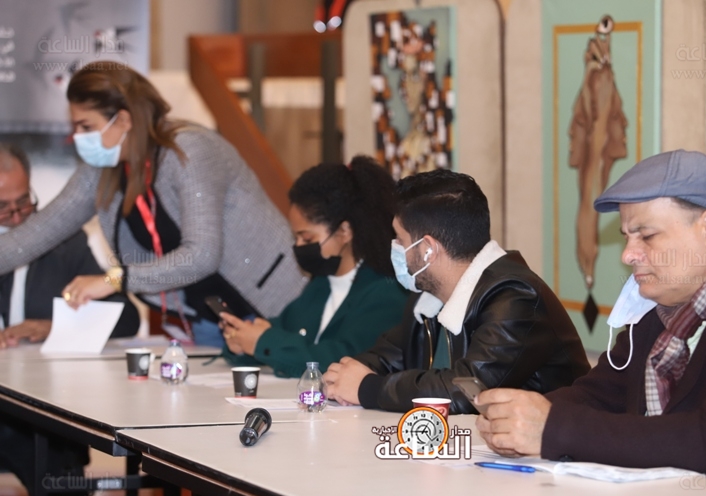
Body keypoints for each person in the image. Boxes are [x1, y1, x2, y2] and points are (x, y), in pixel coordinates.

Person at [476, 150, 706, 496]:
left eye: (646, 236)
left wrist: (551, 428)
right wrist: (515, 417)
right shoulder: (659, 306)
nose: (628, 255)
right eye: (627, 237)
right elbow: (597, 395)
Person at [0, 61, 305, 347]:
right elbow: (38, 232)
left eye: (86, 127)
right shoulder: (101, 170)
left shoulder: (189, 150)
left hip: (276, 302)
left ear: (123, 120)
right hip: (211, 317)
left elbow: (202, 255)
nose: (77, 137)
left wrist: (114, 279)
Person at [323, 168, 590, 413]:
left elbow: (467, 391)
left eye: (400, 240)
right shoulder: (428, 300)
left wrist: (367, 388)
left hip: (549, 448)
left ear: (427, 249)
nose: (394, 248)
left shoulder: (516, 298)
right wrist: (344, 377)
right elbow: (384, 358)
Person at [220, 156, 408, 377]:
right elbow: (281, 330)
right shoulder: (321, 284)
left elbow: (342, 358)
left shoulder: (386, 291)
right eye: (296, 238)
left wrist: (262, 343)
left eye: (307, 238)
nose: (298, 246)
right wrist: (241, 342)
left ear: (344, 231)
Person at [0, 143, 140, 348]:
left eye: (23, 202)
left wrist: (54, 328)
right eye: (2, 206)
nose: (16, 216)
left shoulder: (63, 241)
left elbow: (126, 318)